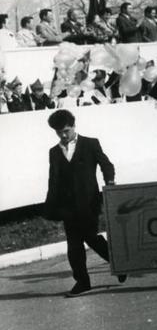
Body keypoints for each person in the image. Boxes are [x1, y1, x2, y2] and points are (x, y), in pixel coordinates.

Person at [43, 109, 125, 297]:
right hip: (67, 207)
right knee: (74, 245)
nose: (63, 135)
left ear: (73, 126)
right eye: (59, 132)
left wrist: (110, 182)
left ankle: (119, 264)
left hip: (88, 202)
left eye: (66, 131)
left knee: (91, 237)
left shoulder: (90, 143)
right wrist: (51, 206)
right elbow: (53, 180)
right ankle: (82, 282)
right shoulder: (54, 152)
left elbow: (106, 164)